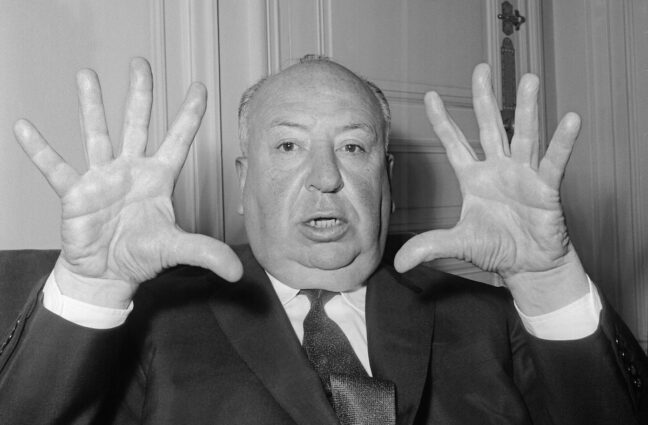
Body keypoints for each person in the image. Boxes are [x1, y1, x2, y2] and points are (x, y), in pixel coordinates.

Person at [0, 55, 646, 425]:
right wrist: (91, 286)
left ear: (387, 178)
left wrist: (548, 280)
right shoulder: (153, 323)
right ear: (243, 179)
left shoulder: (487, 318)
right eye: (288, 146)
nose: (327, 177)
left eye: (354, 147)